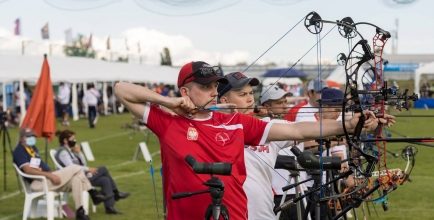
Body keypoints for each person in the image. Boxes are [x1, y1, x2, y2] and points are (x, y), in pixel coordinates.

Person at [114, 61, 378, 220]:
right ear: (186, 91)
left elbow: (297, 130)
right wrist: (168, 102)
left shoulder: (236, 122)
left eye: (215, 86)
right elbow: (121, 89)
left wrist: (348, 124)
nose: (213, 92)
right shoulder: (169, 122)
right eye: (204, 87)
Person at [218, 74, 303, 220]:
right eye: (243, 94)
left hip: (263, 215)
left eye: (251, 93)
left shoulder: (265, 126)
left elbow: (301, 130)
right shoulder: (211, 128)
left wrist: (348, 125)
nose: (250, 99)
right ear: (225, 101)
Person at [12, 127, 112, 220]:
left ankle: (80, 212)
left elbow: (41, 165)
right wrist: (50, 175)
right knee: (74, 168)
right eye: (28, 136)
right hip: (37, 183)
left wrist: (53, 172)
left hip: (46, 181)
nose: (31, 138)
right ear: (21, 138)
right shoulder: (19, 151)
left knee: (76, 179)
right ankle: (93, 193)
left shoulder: (33, 149)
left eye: (32, 136)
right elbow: (28, 170)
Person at [54, 129, 130, 215]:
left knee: (105, 180)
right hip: (75, 179)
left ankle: (110, 207)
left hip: (81, 176)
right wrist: (88, 169)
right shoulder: (63, 152)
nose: (75, 141)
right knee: (103, 169)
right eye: (73, 139)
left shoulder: (70, 151)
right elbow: (72, 168)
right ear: (65, 140)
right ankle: (116, 193)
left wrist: (79, 153)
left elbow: (83, 163)